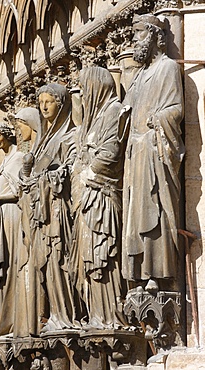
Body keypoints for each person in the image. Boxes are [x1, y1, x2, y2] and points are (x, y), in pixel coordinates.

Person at [121, 14, 185, 292]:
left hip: (153, 150)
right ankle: (137, 271)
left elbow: (176, 110)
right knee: (135, 216)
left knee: (154, 210)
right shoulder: (139, 76)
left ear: (153, 36)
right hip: (136, 153)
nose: (134, 39)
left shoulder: (167, 68)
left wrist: (154, 123)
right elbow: (126, 111)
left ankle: (157, 272)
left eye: (137, 33)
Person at [71, 66, 129, 329]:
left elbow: (111, 152)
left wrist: (85, 173)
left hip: (102, 197)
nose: (83, 96)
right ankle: (96, 314)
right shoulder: (94, 119)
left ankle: (110, 317)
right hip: (87, 198)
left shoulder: (113, 110)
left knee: (102, 254)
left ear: (97, 87)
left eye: (85, 90)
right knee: (89, 258)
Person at [19, 83, 80, 331]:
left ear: (62, 104)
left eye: (49, 101)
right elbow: (32, 177)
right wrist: (27, 175)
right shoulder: (42, 141)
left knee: (59, 262)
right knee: (45, 267)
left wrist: (48, 177)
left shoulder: (70, 136)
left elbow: (74, 169)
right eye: (41, 102)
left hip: (59, 213)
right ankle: (53, 314)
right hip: (40, 215)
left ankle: (65, 315)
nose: (44, 106)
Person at [0, 123, 28, 337]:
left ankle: (16, 318)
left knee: (13, 262)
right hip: (0, 217)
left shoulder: (19, 157)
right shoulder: (4, 161)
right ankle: (3, 318)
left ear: (6, 135)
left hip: (12, 214)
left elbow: (21, 191)